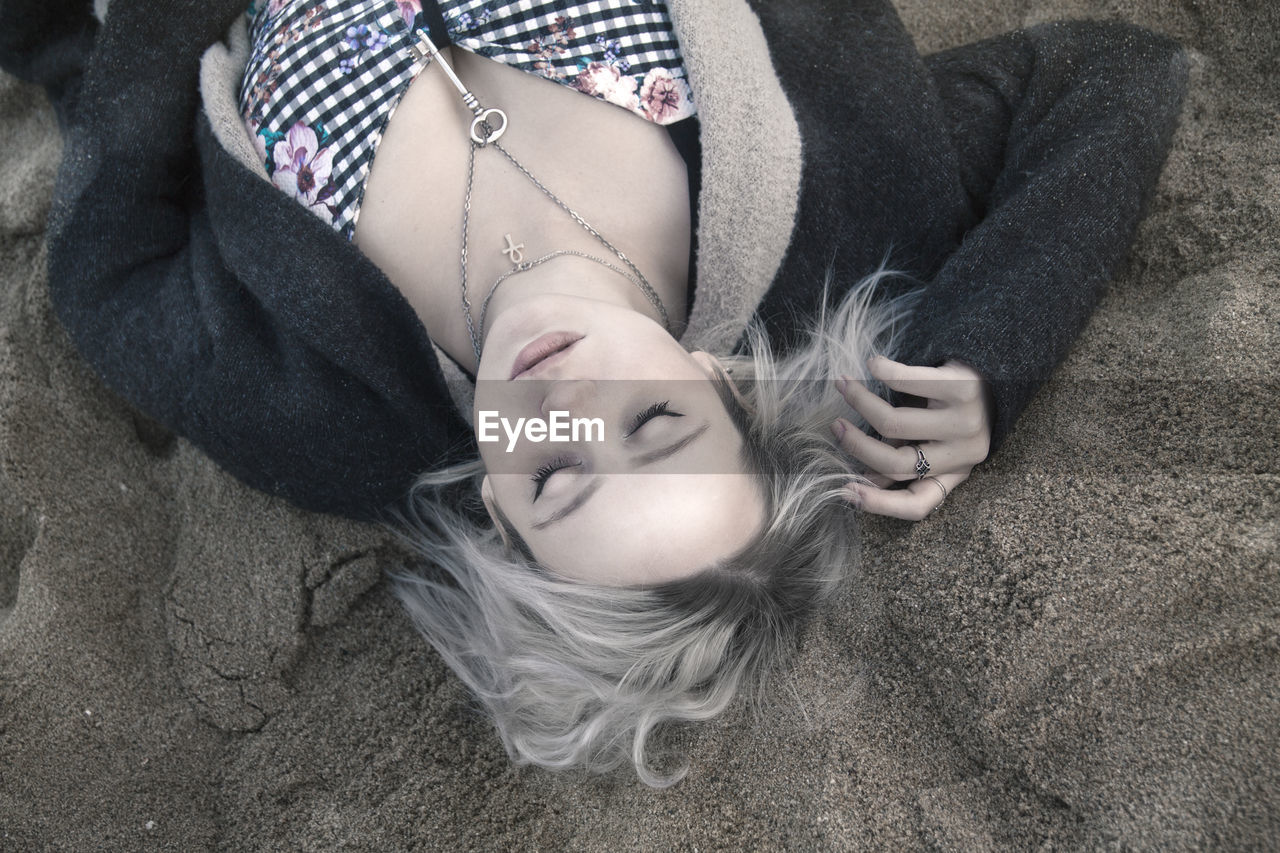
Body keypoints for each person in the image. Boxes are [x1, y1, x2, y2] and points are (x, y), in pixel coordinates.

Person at [0, 0, 1187, 784]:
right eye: (656, 424)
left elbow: (110, 274)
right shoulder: (835, 207)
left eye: (561, 472)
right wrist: (990, 352)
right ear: (720, 378)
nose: (570, 396)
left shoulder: (324, 415)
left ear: (499, 521)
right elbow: (1103, 75)